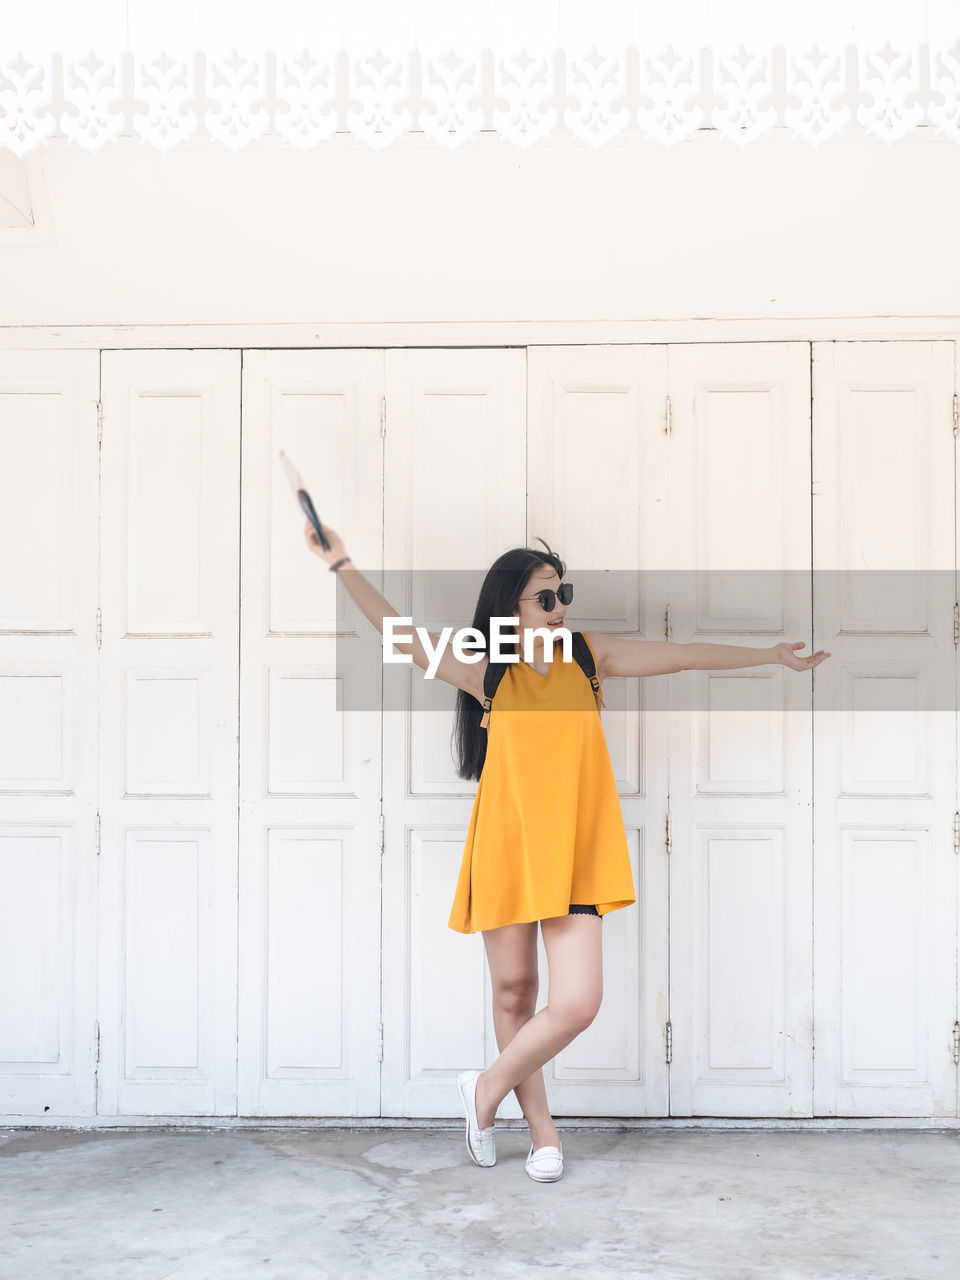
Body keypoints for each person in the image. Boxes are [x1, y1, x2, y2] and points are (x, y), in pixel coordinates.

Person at [304, 520, 830, 1183]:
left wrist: (771, 656)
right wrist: (341, 562)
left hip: (578, 850)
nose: (559, 608)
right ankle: (543, 1135)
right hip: (509, 845)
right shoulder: (486, 667)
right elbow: (396, 632)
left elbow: (685, 654)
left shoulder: (588, 656)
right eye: (544, 598)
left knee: (577, 1001)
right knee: (515, 992)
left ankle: (484, 1093)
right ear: (511, 608)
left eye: (563, 594)